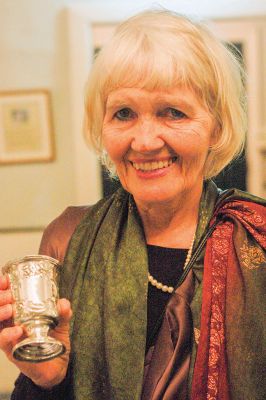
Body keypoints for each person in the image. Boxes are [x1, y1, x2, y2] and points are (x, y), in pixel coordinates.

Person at [0, 9, 265, 400]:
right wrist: (46, 378)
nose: (144, 142)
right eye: (123, 113)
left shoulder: (257, 236)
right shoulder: (68, 237)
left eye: (173, 112)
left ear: (217, 127)